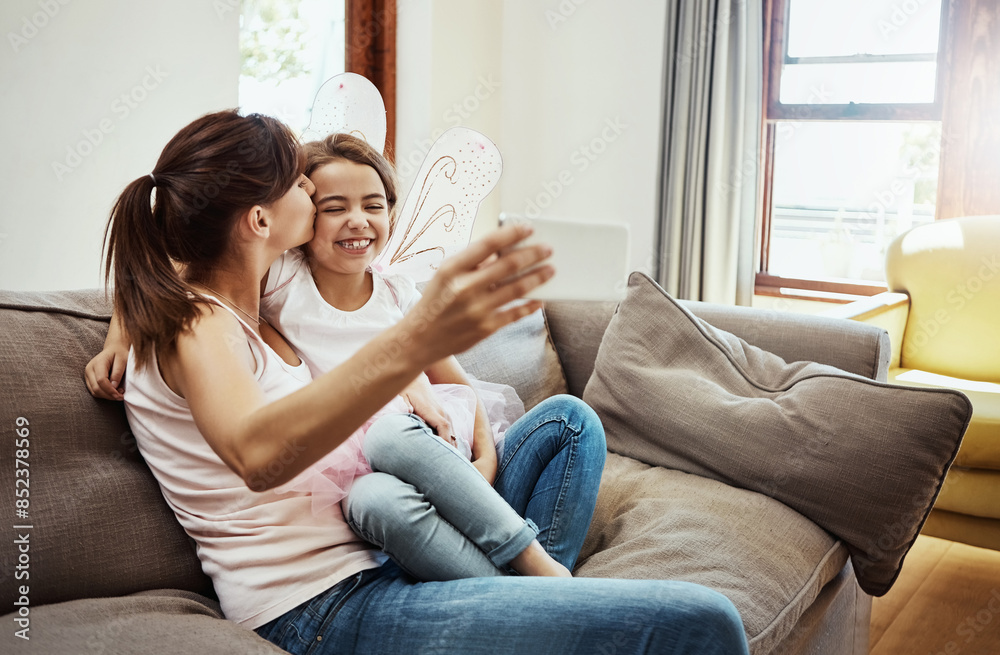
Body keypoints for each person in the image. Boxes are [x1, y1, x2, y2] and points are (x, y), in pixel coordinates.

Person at [84, 109, 750, 654]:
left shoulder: (237, 303)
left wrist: (123, 315)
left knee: (566, 424)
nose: (312, 196)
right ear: (260, 220)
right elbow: (256, 454)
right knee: (703, 621)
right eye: (300, 187)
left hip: (385, 550)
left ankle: (530, 588)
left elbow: (171, 246)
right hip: (321, 606)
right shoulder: (197, 325)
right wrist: (413, 344)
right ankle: (543, 587)